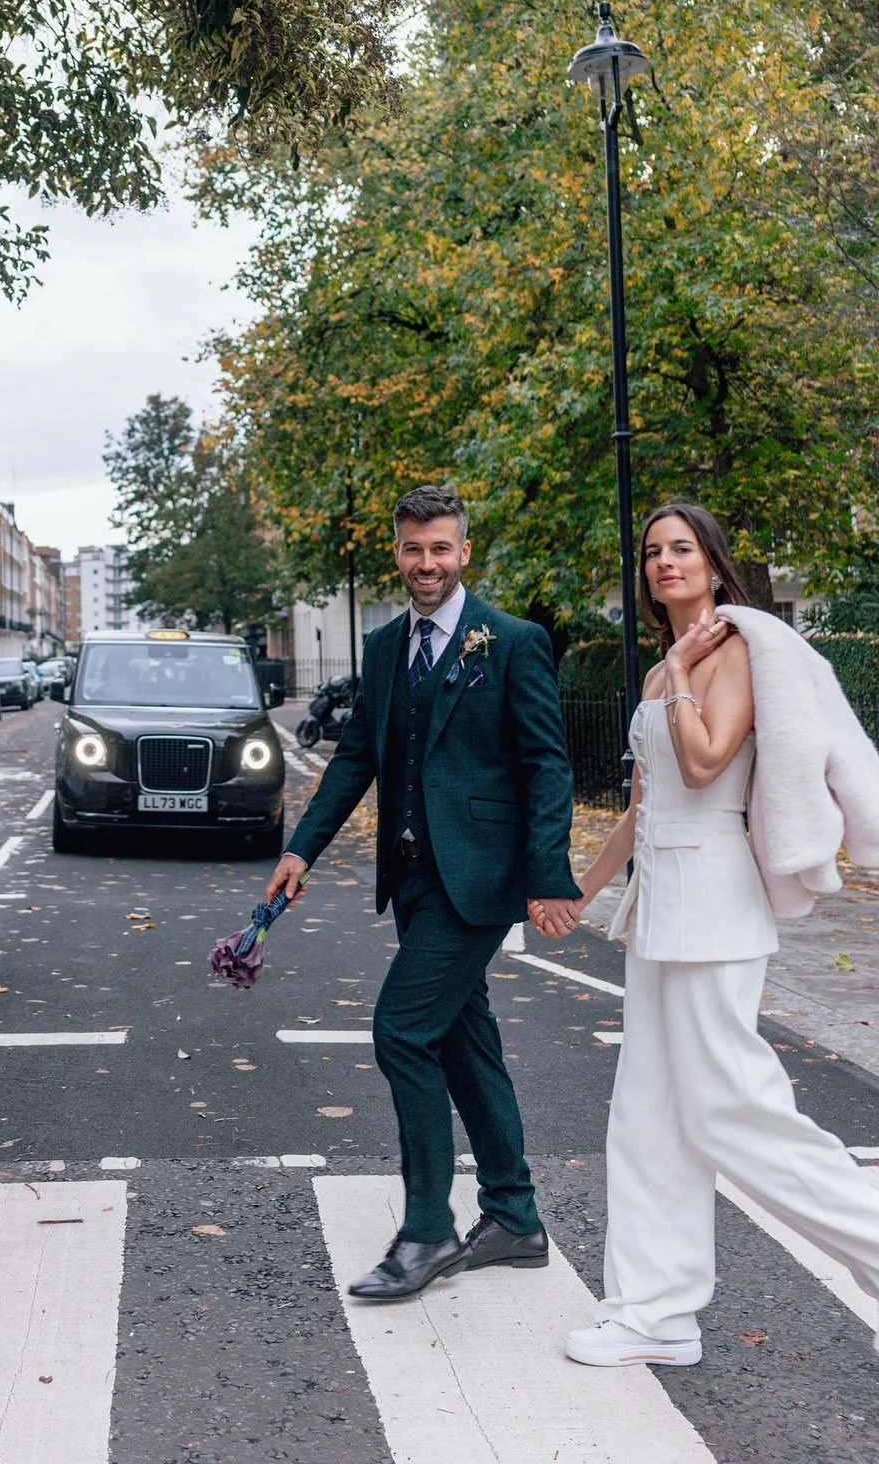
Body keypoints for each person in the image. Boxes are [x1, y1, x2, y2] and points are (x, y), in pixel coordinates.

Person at [544, 500, 879, 1367]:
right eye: (653, 551)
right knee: (648, 1116)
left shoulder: (730, 652)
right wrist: (572, 890)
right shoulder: (669, 668)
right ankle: (655, 1315)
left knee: (733, 1106)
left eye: (681, 548)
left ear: (713, 562)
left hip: (715, 905)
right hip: (663, 903)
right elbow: (646, 801)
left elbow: (705, 762)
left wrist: (687, 672)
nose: (664, 562)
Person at [265, 484, 581, 1301]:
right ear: (396, 553)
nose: (427, 563)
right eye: (413, 549)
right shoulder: (382, 647)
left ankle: (428, 1230)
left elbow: (548, 764)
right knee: (462, 1039)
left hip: (479, 880)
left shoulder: (511, 642)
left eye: (441, 548)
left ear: (464, 552)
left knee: (402, 1031)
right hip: (412, 879)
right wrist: (301, 851)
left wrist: (549, 875)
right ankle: (515, 1217)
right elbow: (356, 758)